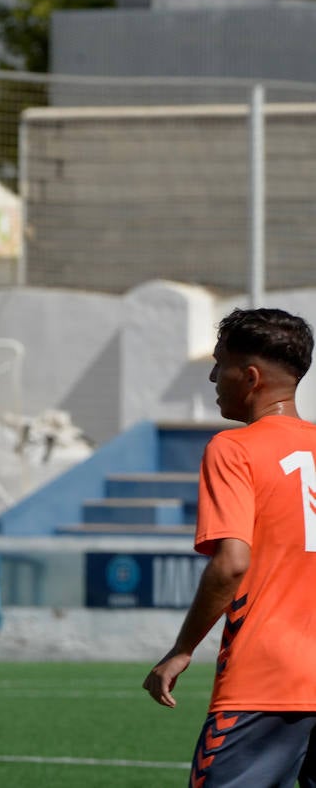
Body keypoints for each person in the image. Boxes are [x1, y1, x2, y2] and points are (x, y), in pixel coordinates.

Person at [143, 307, 316, 787]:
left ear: (252, 377)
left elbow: (231, 563)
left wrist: (181, 649)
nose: (213, 377)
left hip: (267, 681)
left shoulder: (234, 449)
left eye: (221, 365)